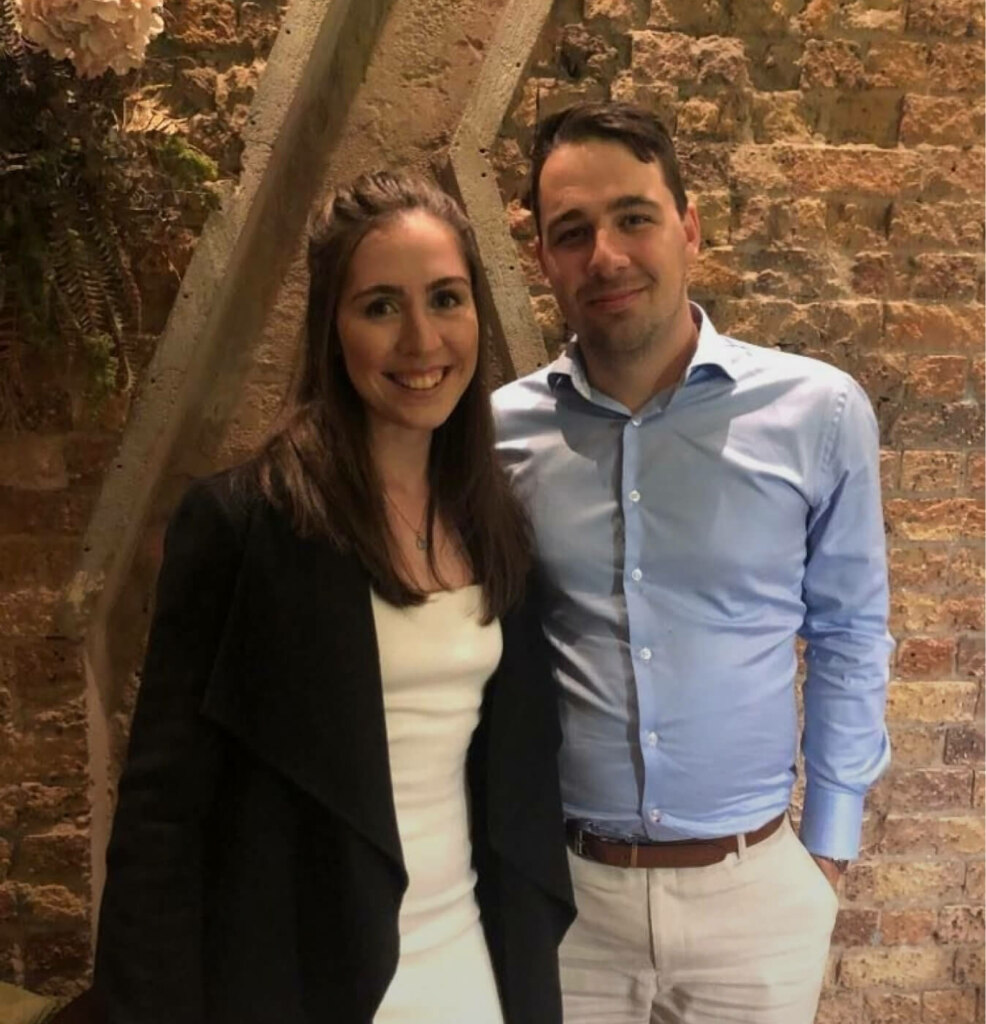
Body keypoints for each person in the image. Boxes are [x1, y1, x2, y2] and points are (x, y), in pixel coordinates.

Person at [92, 171, 574, 1024]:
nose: (422, 340)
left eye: (446, 299)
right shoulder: (244, 526)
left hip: (468, 967)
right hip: (306, 977)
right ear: (331, 329)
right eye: (381, 306)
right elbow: (162, 825)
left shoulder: (496, 520)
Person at [493, 101, 893, 1024]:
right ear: (545, 259)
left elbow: (850, 635)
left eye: (634, 216)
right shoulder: (495, 435)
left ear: (690, 227)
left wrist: (825, 854)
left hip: (753, 898)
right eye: (572, 232)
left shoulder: (819, 413)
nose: (606, 255)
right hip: (567, 904)